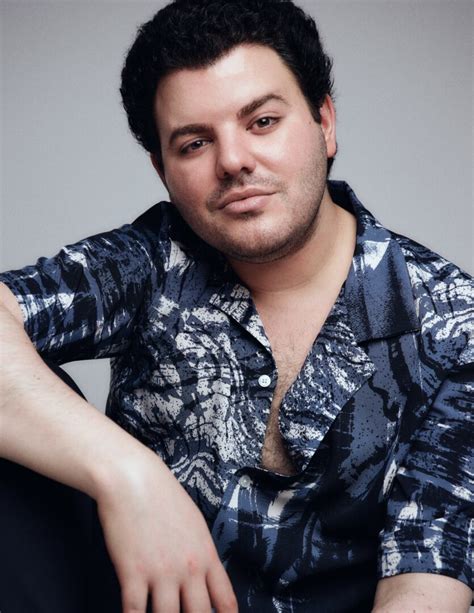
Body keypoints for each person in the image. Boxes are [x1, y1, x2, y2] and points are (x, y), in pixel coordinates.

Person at [0, 1, 472, 612]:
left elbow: (426, 585)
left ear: (325, 122)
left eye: (263, 122)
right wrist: (128, 475)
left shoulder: (452, 323)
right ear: (162, 170)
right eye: (195, 143)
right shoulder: (152, 261)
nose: (233, 161)